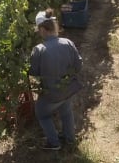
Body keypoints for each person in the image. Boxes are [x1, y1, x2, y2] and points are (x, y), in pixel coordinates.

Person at [29, 9, 83, 151]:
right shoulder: (68, 43)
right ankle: (70, 138)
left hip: (51, 94)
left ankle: (54, 143)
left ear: (42, 29)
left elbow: (33, 72)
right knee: (66, 110)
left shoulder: (38, 50)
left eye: (39, 30)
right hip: (68, 89)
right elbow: (78, 65)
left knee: (41, 114)